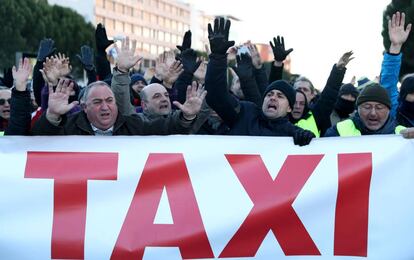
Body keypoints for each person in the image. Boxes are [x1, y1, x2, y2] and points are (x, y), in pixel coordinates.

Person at [204, 17, 314, 146]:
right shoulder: (245, 113)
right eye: (269, 94)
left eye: (280, 96)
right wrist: (218, 57)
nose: (273, 98)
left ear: (289, 108)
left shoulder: (293, 133)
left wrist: (309, 141)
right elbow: (216, 96)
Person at [290, 51, 353, 137]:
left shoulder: (317, 113)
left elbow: (329, 93)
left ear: (313, 94)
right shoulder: (281, 113)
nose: (301, 93)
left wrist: (338, 71)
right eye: (298, 89)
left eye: (305, 90)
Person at [324, 83, 414, 138]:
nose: (373, 113)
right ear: (357, 109)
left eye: (379, 108)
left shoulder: (403, 134)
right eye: (367, 107)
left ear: (388, 110)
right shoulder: (339, 130)